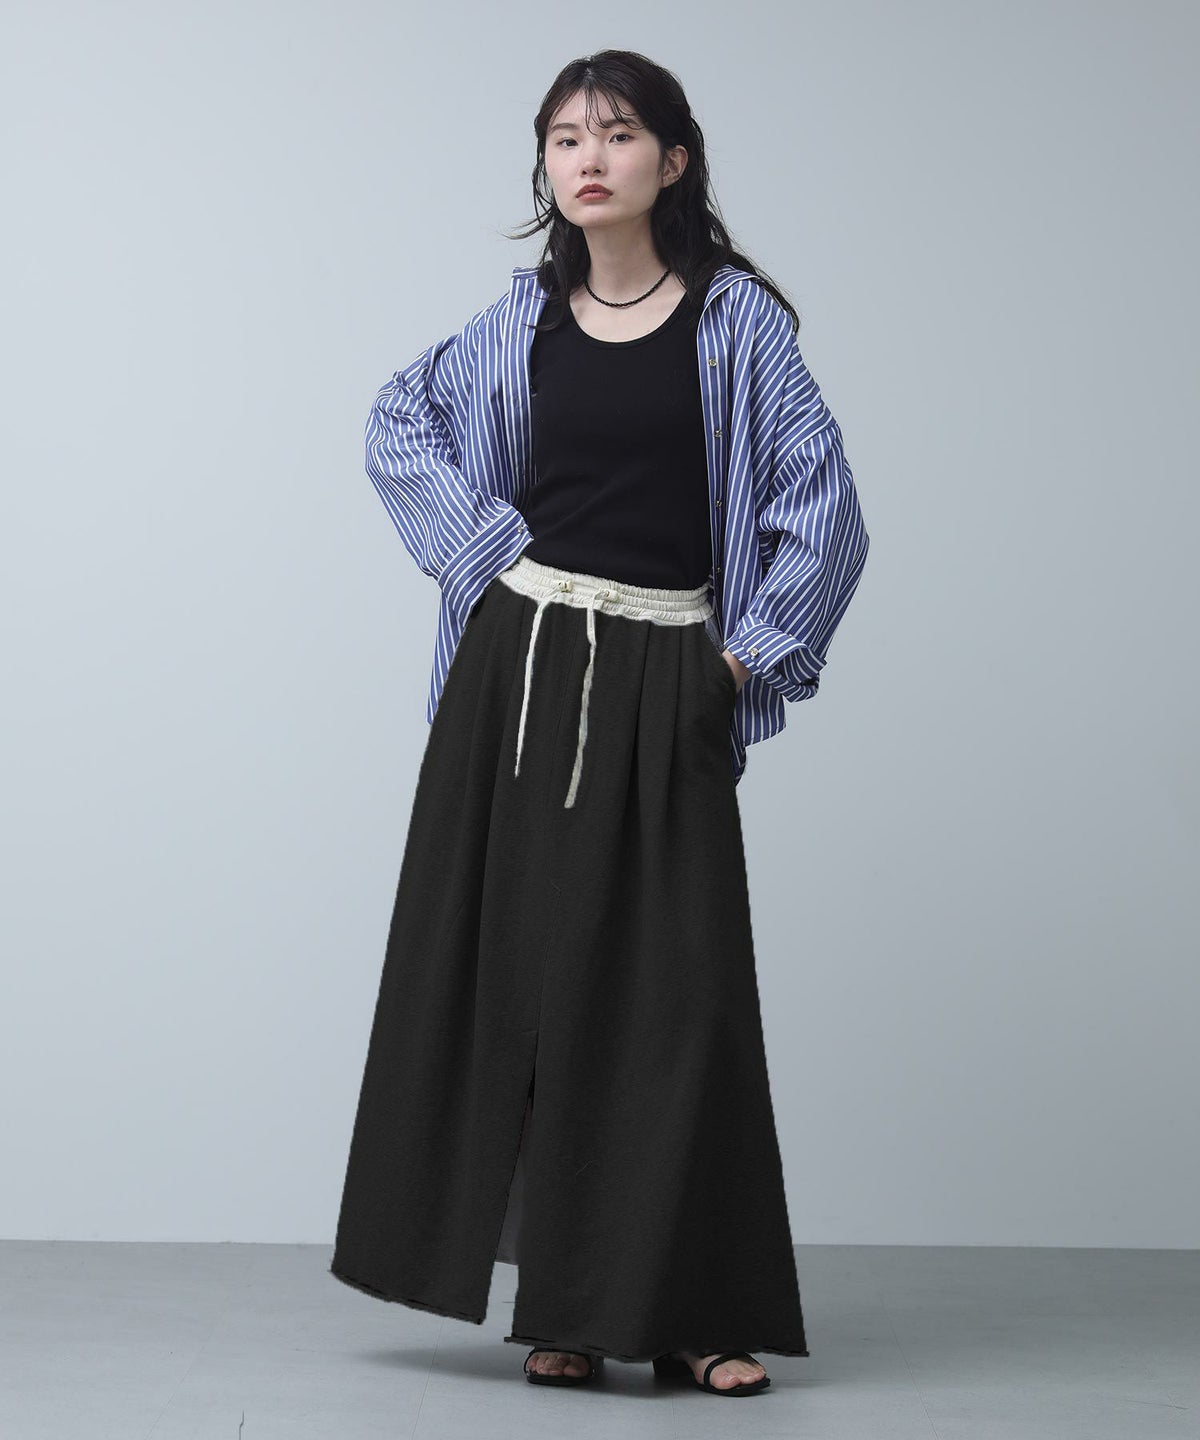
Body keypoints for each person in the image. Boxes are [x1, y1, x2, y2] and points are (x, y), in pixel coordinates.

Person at [330, 49, 870, 1398]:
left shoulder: (737, 328)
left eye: (618, 134)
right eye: (565, 137)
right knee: (528, 987)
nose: (588, 158)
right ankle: (563, 1308)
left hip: (666, 674)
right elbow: (397, 425)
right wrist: (487, 555)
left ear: (672, 161)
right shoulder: (521, 323)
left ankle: (696, 1312)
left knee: (675, 1004)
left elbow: (823, 508)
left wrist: (741, 665)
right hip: (516, 678)